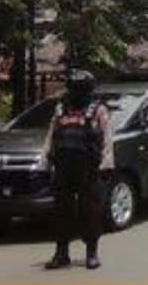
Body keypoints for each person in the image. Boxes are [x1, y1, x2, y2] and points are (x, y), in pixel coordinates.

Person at [42, 69, 113, 270]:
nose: (76, 93)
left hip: (88, 167)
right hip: (63, 166)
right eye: (74, 89)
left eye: (80, 89)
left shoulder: (98, 110)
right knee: (61, 212)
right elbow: (51, 136)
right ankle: (61, 253)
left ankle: (91, 253)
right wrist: (45, 163)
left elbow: (107, 139)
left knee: (89, 211)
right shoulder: (60, 109)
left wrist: (106, 165)